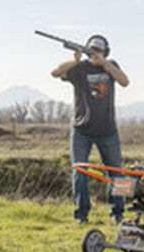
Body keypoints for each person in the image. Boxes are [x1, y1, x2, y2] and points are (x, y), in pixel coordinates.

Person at [51, 34, 130, 224]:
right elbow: (55, 72)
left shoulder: (111, 66)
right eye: (92, 50)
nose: (95, 53)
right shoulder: (79, 68)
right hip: (81, 130)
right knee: (79, 173)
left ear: (105, 52)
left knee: (117, 173)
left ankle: (118, 213)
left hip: (108, 130)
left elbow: (125, 81)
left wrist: (105, 64)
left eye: (99, 50)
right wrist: (74, 59)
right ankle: (81, 215)